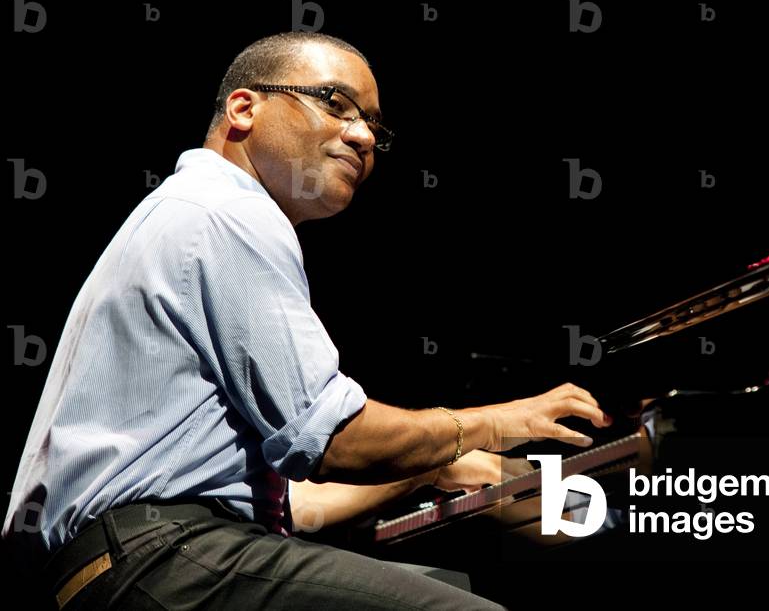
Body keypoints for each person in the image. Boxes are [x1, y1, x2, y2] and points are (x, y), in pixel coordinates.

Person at [2, 31, 611, 609]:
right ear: (243, 109)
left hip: (119, 565)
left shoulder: (189, 211)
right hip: (162, 558)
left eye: (373, 125)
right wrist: (500, 423)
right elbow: (334, 442)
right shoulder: (227, 212)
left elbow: (290, 498)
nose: (364, 137)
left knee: (445, 582)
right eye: (336, 104)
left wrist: (437, 466)